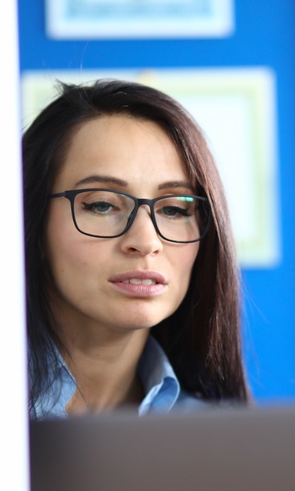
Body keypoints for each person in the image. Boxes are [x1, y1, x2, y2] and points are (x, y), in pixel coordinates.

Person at [22, 79, 250, 418]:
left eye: (174, 209)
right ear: (34, 224)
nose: (146, 242)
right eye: (101, 205)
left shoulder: (219, 439)